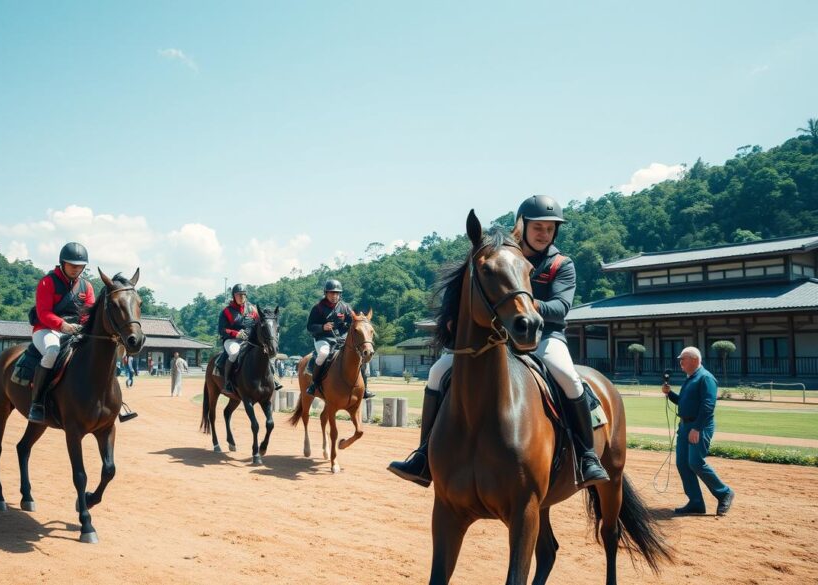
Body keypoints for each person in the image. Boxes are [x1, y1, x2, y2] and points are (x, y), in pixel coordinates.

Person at [389, 195, 609, 489]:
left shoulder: (561, 264)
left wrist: (523, 307)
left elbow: (560, 308)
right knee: (438, 371)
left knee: (567, 376)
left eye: (549, 228)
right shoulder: (500, 254)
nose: (544, 234)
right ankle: (423, 455)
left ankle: (586, 456)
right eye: (538, 227)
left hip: (546, 337)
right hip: (497, 338)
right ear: (524, 226)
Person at [28, 242, 96, 424]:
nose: (77, 269)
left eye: (80, 266)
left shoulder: (87, 287)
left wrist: (83, 327)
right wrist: (63, 325)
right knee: (52, 351)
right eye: (73, 265)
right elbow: (43, 313)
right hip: (46, 329)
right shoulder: (47, 282)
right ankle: (37, 402)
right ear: (62, 263)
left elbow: (88, 314)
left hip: (75, 331)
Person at [663, 347, 735, 516]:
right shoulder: (691, 378)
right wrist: (670, 394)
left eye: (683, 359)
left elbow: (708, 406)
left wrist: (697, 428)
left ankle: (724, 492)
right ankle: (696, 502)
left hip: (699, 426)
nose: (680, 362)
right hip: (685, 427)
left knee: (695, 462)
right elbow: (683, 402)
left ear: (694, 360)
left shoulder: (706, 378)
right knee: (682, 463)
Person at [304, 279, 375, 399]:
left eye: (337, 293)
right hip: (324, 339)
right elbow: (310, 327)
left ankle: (365, 389)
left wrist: (360, 321)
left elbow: (353, 323)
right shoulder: (318, 308)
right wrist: (322, 327)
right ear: (326, 293)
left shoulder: (345, 307)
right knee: (323, 353)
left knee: (361, 356)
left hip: (342, 339)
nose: (334, 296)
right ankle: (314, 384)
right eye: (332, 293)